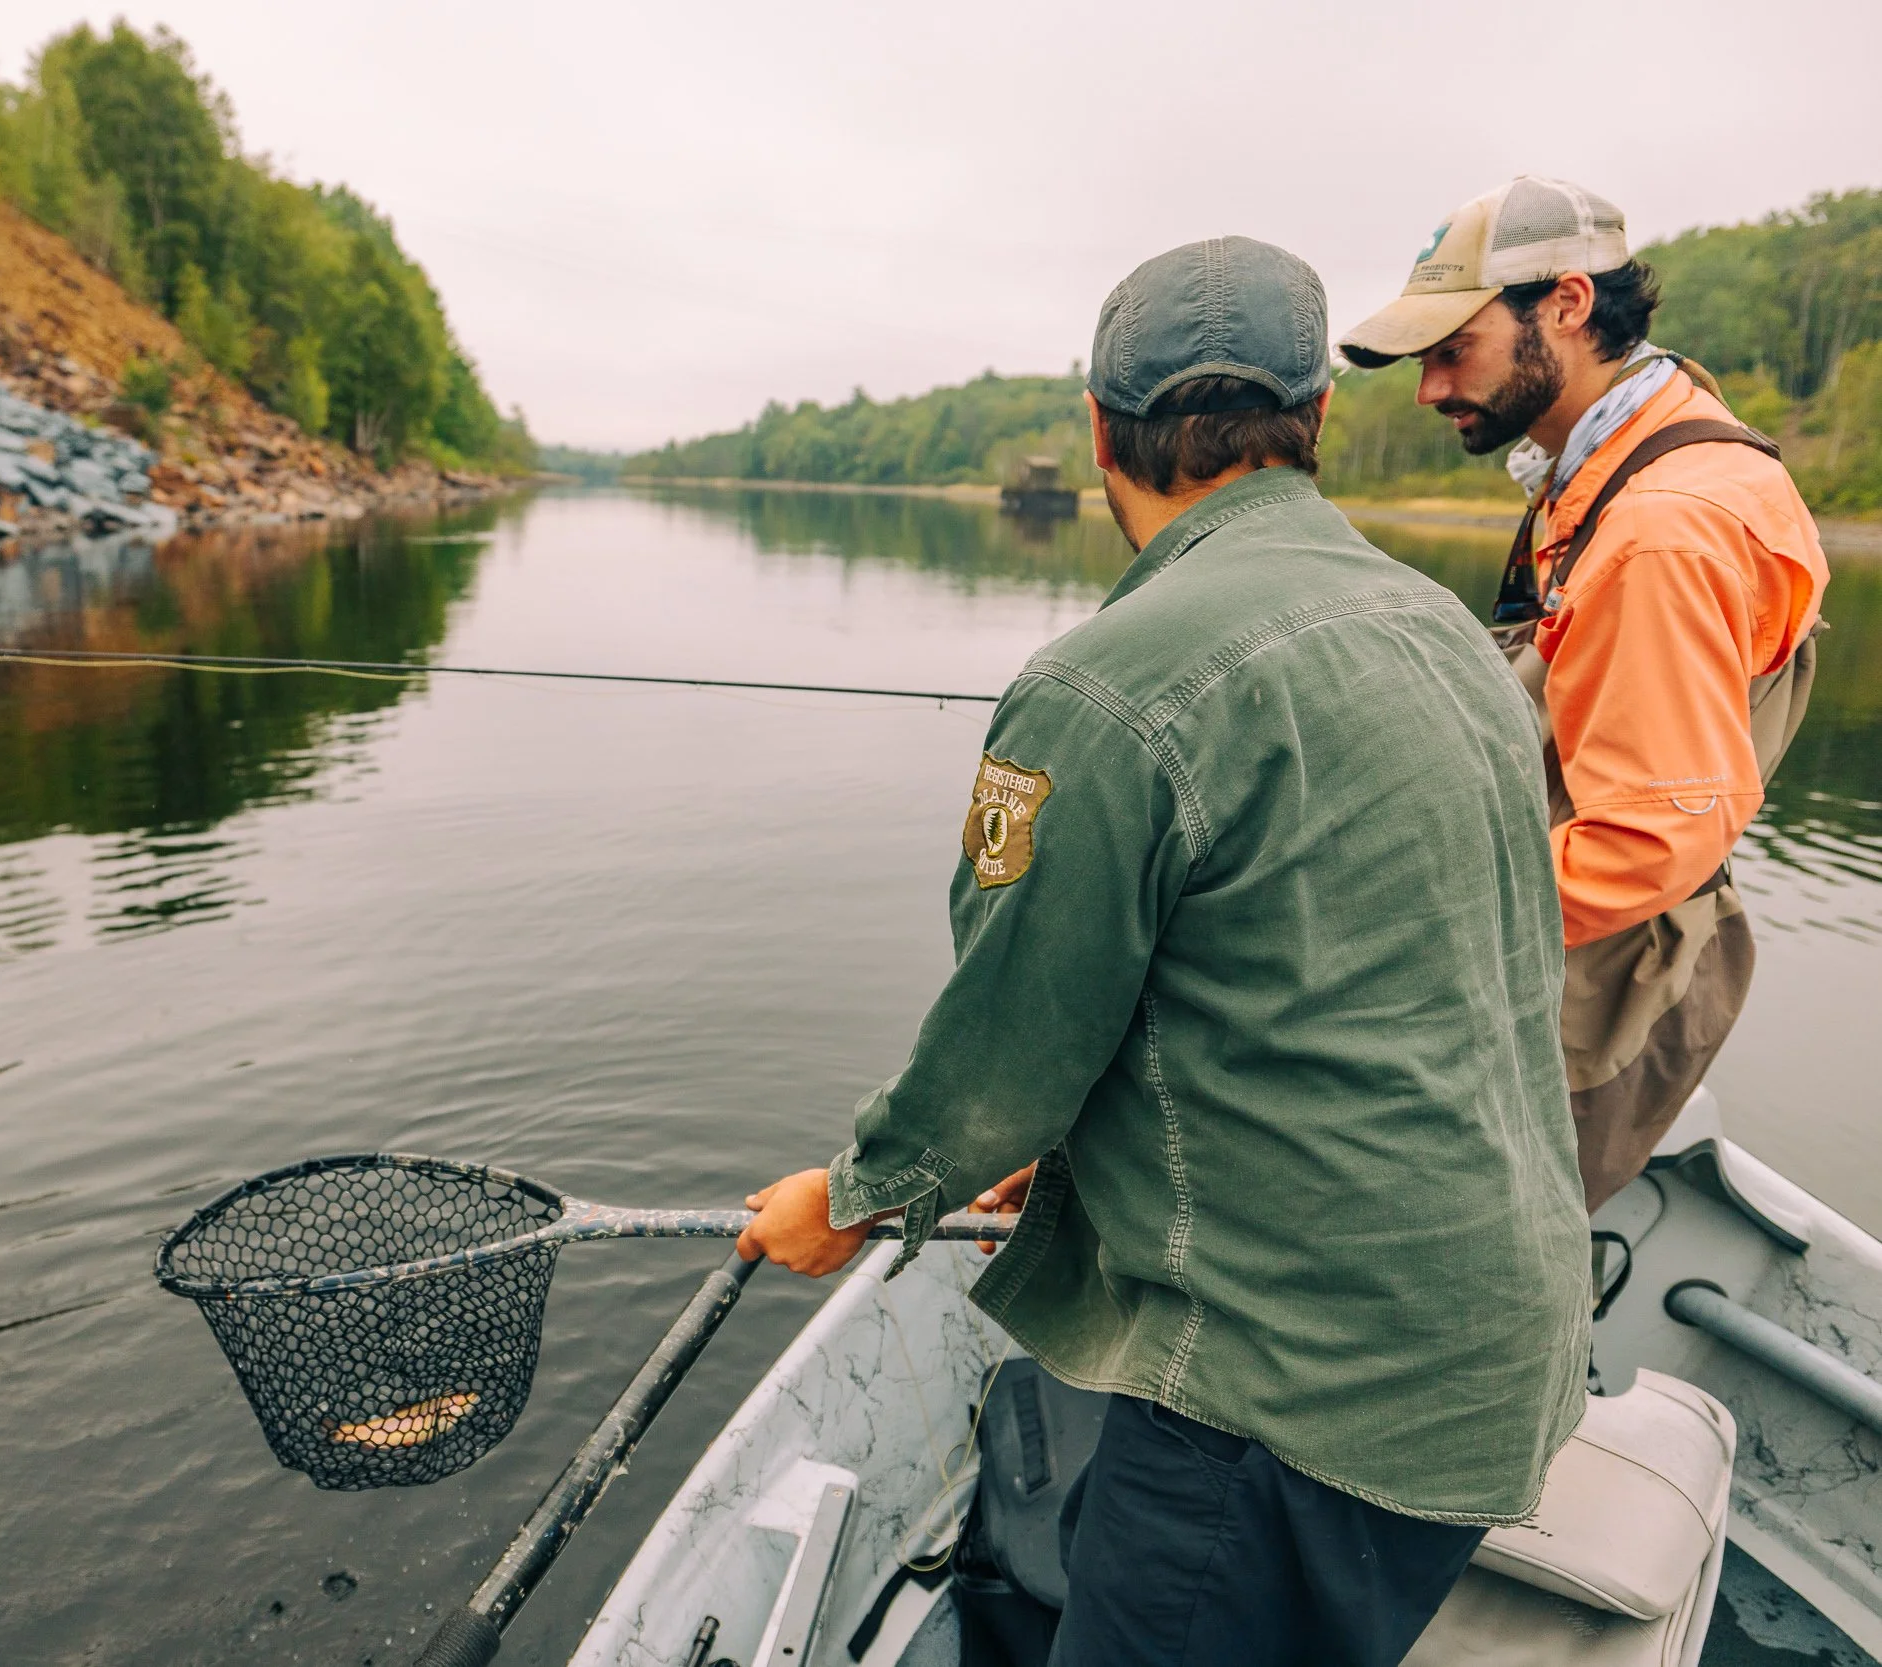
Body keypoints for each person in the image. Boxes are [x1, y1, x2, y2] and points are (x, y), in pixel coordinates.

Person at [737, 237, 1591, 1667]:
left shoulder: (1101, 688)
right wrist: (1081, 1150)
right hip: (1495, 1351)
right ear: (1317, 418)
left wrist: (859, 1191)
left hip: (1292, 1399)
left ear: (1094, 429)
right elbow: (1347, 978)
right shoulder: (1451, 637)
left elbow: (1008, 1043)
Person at [1337, 176, 1831, 1211]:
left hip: (1595, 994)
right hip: (1580, 951)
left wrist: (1402, 927)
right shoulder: (1640, 438)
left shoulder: (1662, 528)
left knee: (1478, 1256)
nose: (1429, 388)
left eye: (1451, 348)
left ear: (1566, 304)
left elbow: (1648, 836)